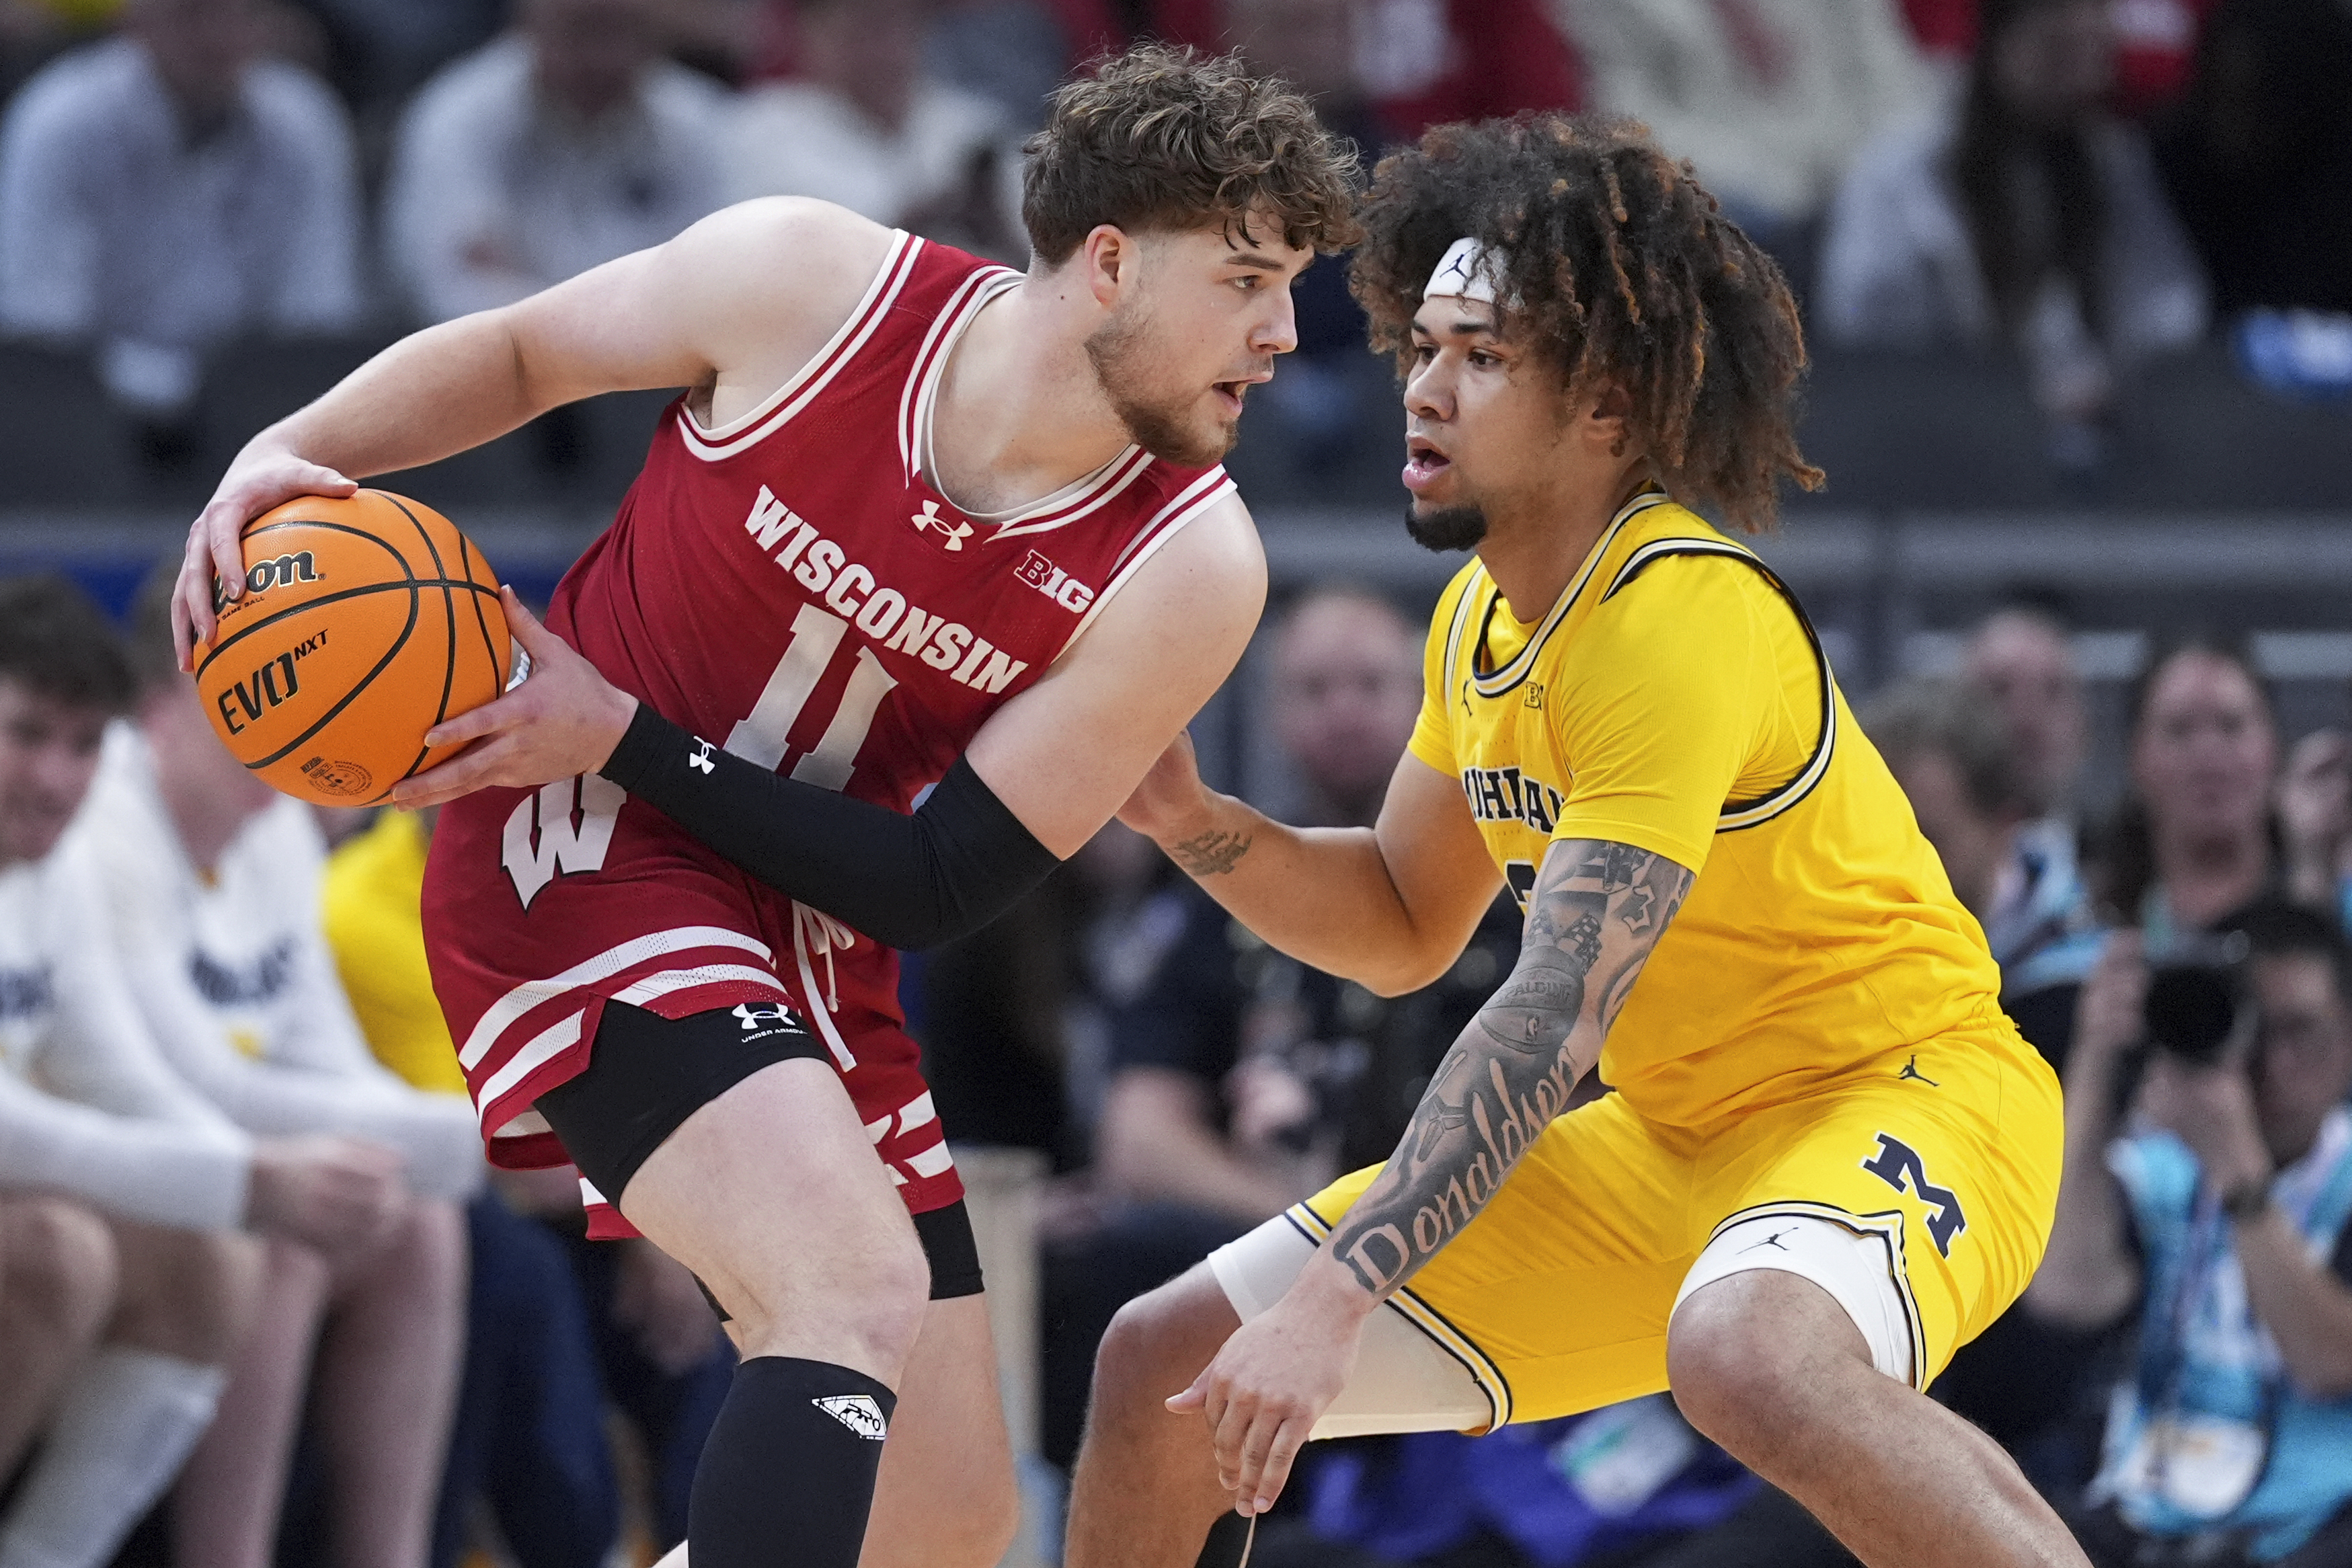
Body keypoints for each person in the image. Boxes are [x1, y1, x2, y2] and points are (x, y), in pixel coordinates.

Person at [169, 43, 1357, 1568]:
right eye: (1246, 282)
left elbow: (935, 882)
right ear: (1111, 263)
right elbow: (521, 355)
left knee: (941, 1518)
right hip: (572, 847)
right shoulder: (810, 284)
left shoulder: (1191, 563)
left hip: (806, 918)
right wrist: (288, 452)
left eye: (1288, 288)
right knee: (846, 1288)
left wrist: (629, 734)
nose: (1280, 334)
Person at [1069, 112, 2085, 1568]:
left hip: (1904, 1095)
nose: (1425, 388)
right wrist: (1192, 818)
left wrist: (1338, 1295)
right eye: (1422, 348)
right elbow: (1401, 918)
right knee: (1160, 1365)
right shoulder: (1477, 618)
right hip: (1675, 1139)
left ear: (1604, 409)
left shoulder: (1674, 611)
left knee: (1744, 1352)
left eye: (1481, 357)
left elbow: (1553, 1008)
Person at [64, 584, 477, 1568]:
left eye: (288, 691)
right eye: (244, 697)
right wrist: (509, 1137)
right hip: (112, 1158)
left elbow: (331, 1066)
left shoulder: (278, 828)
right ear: (160, 705)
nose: (279, 725)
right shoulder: (103, 823)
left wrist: (483, 1142)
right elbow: (199, 1089)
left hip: (207, 1153)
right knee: (288, 1231)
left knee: (421, 1226)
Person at [0, 576, 398, 1568]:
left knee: (221, 1255)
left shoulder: (52, 868)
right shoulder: (114, 849)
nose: (53, 778)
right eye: (26, 735)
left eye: (81, 745)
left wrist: (248, 1183)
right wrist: (248, 1175)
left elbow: (123, 1079)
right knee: (56, 1251)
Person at [323, 803, 733, 1568]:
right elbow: (506, 1146)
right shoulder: (363, 908)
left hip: (588, 1190)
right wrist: (655, 1220)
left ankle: (717, 1542)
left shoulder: (580, 874)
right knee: (526, 1276)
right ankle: (583, 1546)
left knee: (737, 1274)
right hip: (484, 1200)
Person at [2029, 902, 2352, 1565]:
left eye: (2302, 1031)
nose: (2273, 1064)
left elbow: (2332, 1363)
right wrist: (2096, 1058)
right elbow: (2064, 1292)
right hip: (2138, 1520)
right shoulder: (2168, 1163)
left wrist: (2238, 1172)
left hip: (2301, 1532)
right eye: (2254, 1028)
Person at [1817, 0, 2207, 453]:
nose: (2083, 81)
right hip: (1942, 438)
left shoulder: (2110, 159)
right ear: (2000, 43)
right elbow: (1865, 334)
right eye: (2058, 51)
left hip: (2100, 438)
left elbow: (2167, 306)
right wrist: (2003, 398)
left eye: (2096, 56)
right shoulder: (1903, 172)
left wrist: (2120, 382)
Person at [0, 0, 362, 429]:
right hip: (88, 413)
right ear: (135, 23)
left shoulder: (304, 119)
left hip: (257, 414)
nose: (218, 35)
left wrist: (236, 394)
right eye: (192, 13)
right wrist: (176, 390)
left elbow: (316, 315)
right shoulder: (60, 121)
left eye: (239, 13)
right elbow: (40, 326)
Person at [383, 0, 731, 325]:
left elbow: (717, 280)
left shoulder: (701, 123)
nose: (601, 60)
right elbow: (451, 284)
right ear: (530, 24)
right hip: (502, 360)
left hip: (664, 358)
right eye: (581, 32)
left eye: (623, 33)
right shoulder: (459, 116)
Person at [1559, 0, 1932, 272]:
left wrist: (1866, 175)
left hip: (1853, 161)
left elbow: (1886, 72)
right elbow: (1632, 117)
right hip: (1733, 183)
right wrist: (1778, 181)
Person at [725, 0, 1017, 254]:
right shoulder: (760, 130)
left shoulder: (974, 126)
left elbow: (1030, 262)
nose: (884, 48)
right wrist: (918, 228)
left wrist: (993, 227)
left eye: (897, 24)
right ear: (811, 32)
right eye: (862, 29)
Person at [2091, 637, 2279, 940]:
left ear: (2273, 748)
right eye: (2179, 730)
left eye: (2231, 726)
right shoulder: (2084, 936)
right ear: (2136, 758)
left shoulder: (2331, 912)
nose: (2209, 756)